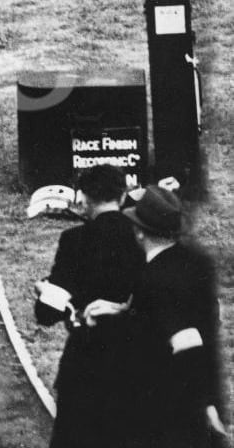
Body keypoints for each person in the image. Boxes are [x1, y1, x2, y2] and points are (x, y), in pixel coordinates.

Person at [33, 164, 146, 448]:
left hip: (84, 365)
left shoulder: (73, 241)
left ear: (83, 198)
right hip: (135, 364)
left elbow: (47, 314)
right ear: (122, 197)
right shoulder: (144, 237)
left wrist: (45, 292)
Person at [116, 184, 229, 448]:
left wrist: (204, 406)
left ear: (140, 232)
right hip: (198, 392)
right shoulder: (193, 263)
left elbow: (185, 337)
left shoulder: (153, 277)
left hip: (167, 406)